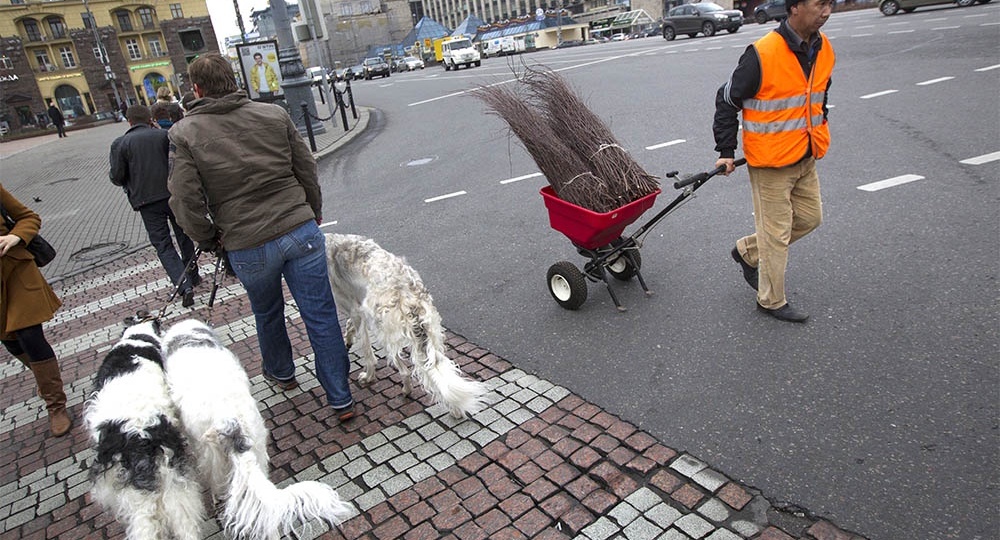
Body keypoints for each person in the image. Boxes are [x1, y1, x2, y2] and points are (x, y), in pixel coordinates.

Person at [167, 53, 356, 420]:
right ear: (235, 79)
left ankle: (282, 372)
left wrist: (207, 238)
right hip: (298, 228)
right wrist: (312, 210)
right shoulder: (273, 114)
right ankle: (340, 395)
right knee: (320, 314)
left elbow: (184, 200)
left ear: (196, 88)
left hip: (245, 240)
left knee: (267, 311)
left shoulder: (184, 133)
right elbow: (306, 167)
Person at [713, 0, 834, 323]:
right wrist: (725, 151)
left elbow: (819, 96)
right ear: (794, 7)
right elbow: (726, 100)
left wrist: (817, 128)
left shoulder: (823, 49)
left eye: (830, 3)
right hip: (770, 164)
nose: (827, 11)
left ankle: (748, 251)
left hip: (805, 155)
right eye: (820, 3)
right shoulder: (762, 53)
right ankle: (770, 300)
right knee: (776, 233)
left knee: (810, 218)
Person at [0, 185, 73, 436]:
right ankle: (45, 378)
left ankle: (56, 405)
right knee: (10, 342)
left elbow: (29, 217)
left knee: (29, 335)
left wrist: (15, 237)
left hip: (16, 271)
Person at [110, 105, 200, 307]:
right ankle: (192, 274)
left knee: (163, 244)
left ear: (129, 121)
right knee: (184, 234)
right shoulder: (163, 136)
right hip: (172, 193)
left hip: (146, 202)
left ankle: (183, 284)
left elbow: (117, 176)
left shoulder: (121, 143)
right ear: (149, 118)